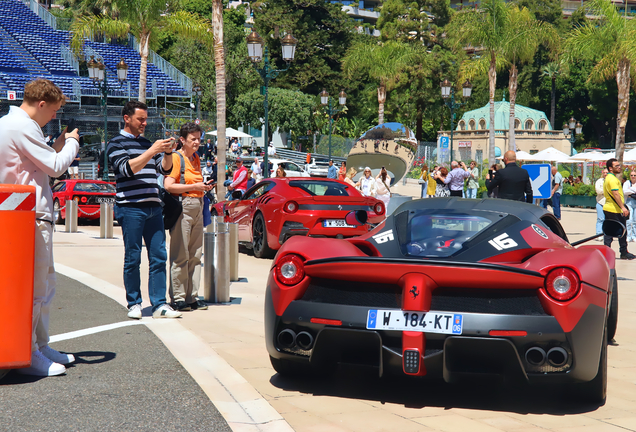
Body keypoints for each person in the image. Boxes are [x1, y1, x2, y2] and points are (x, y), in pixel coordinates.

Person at [0, 78, 79, 377]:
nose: (55, 117)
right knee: (36, 289)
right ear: (42, 103)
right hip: (29, 216)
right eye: (54, 110)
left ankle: (38, 345)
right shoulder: (22, 126)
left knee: (43, 287)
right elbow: (57, 166)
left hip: (25, 214)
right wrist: (70, 143)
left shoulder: (12, 124)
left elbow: (38, 165)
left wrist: (55, 147)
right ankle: (30, 351)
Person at [108, 100, 182, 320]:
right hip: (130, 208)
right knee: (133, 257)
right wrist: (152, 150)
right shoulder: (115, 143)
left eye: (146, 119)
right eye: (140, 119)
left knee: (159, 256)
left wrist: (168, 152)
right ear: (127, 118)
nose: (144, 123)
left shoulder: (148, 143)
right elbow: (127, 169)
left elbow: (165, 168)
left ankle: (159, 304)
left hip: (153, 207)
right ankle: (134, 303)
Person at [164, 122, 213, 312]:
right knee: (180, 254)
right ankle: (178, 298)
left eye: (199, 139)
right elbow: (169, 185)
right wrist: (194, 187)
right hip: (183, 206)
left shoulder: (196, 158)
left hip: (199, 205)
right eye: (193, 139)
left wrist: (203, 187)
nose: (197, 142)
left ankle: (192, 297)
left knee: (195, 254)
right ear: (182, 140)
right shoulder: (177, 158)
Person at [603, 158, 635, 259]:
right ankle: (623, 252)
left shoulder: (609, 178)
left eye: (619, 165)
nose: (619, 167)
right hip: (614, 209)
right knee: (620, 231)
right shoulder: (612, 179)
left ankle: (607, 251)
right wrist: (622, 207)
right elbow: (615, 193)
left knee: (610, 231)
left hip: (610, 208)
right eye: (616, 166)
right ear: (610, 168)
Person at [623, 171, 636, 242]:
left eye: (634, 175)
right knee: (629, 220)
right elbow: (624, 191)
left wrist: (630, 189)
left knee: (635, 221)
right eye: (632, 175)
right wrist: (634, 191)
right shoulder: (627, 183)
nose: (633, 176)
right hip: (629, 202)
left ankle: (634, 236)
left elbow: (628, 191)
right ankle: (628, 236)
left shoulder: (629, 185)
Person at [595, 168, 608, 236]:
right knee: (600, 219)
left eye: (607, 172)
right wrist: (606, 191)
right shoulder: (599, 181)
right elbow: (598, 191)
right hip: (600, 202)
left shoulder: (611, 181)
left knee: (607, 220)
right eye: (604, 172)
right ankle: (599, 234)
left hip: (609, 203)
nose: (605, 174)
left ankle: (606, 233)